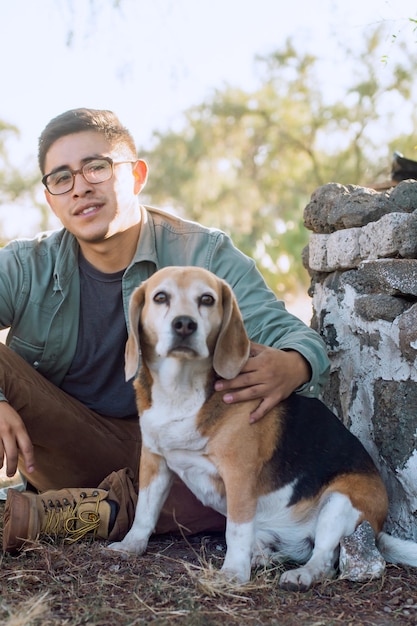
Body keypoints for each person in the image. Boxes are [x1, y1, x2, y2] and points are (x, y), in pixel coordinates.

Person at [0, 108, 329, 553]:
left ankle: (48, 515)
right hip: (66, 443)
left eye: (96, 167)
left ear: (135, 175)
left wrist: (295, 364)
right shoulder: (25, 266)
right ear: (50, 198)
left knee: (231, 488)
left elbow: (288, 332)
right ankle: (92, 510)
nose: (80, 186)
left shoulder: (203, 252)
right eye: (61, 177)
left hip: (182, 449)